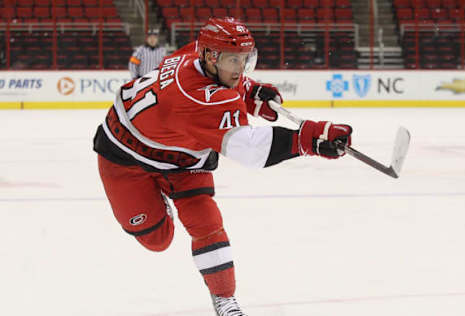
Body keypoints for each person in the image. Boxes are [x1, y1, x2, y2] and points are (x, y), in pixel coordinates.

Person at [93, 17, 352, 316]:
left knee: (208, 224)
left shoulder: (196, 53)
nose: (240, 69)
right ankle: (156, 199)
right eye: (234, 60)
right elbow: (250, 149)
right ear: (210, 56)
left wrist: (250, 92)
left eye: (245, 59)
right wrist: (310, 139)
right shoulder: (199, 98)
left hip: (184, 159)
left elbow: (226, 81)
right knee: (157, 239)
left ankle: (224, 299)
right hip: (125, 156)